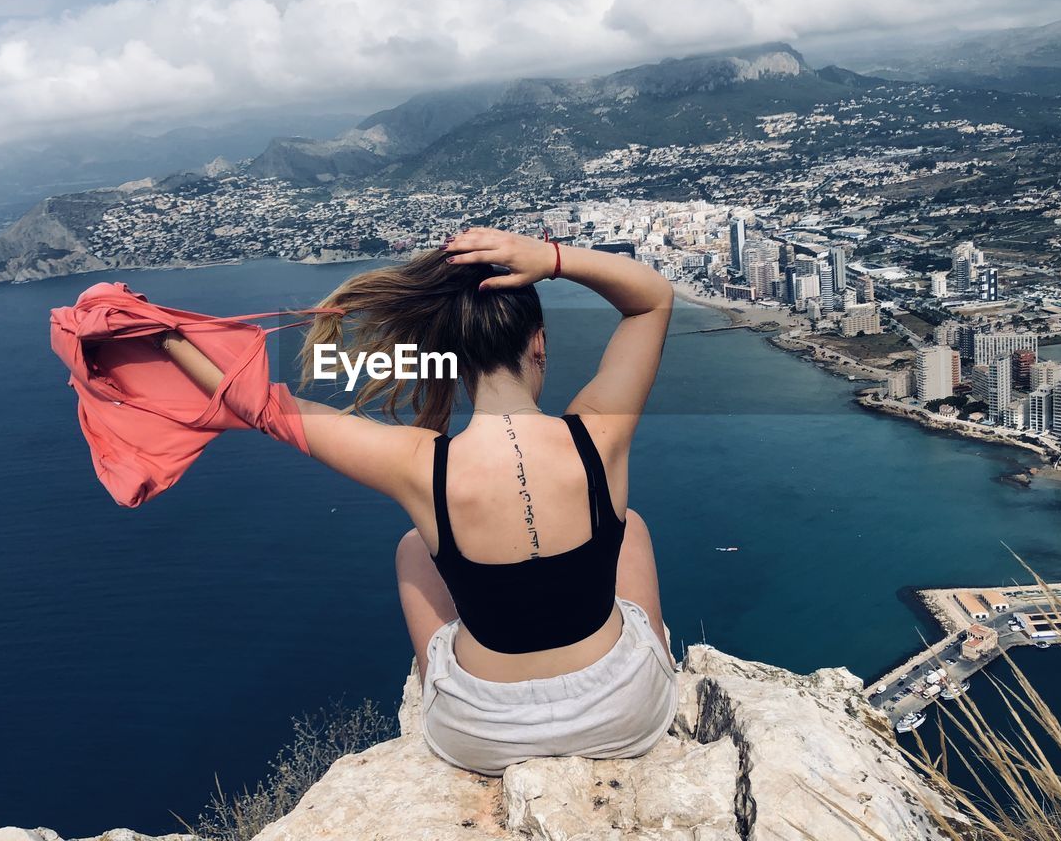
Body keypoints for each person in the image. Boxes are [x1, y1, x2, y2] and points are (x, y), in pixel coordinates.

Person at [156, 227, 678, 776]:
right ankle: (652, 666)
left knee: (414, 547)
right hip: (623, 716)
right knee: (631, 527)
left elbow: (260, 406)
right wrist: (547, 258)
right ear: (539, 344)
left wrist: (160, 336)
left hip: (484, 733)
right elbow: (651, 300)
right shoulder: (599, 437)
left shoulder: (419, 464)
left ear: (451, 358)